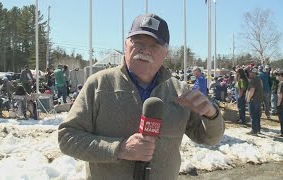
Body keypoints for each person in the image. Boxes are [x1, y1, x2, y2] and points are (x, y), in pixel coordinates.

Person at [58, 14, 224, 180]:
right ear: (126, 44)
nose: (145, 50)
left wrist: (212, 115)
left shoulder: (181, 91)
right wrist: (120, 149)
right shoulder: (99, 84)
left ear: (166, 52)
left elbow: (209, 138)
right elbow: (68, 138)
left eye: (154, 45)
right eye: (138, 42)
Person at [246, 68, 263, 135]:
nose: (249, 74)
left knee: (252, 115)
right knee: (257, 115)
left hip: (253, 100)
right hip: (258, 100)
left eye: (250, 72)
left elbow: (252, 90)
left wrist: (248, 99)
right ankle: (258, 129)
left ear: (253, 73)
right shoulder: (259, 79)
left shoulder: (253, 80)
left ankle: (254, 130)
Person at [275, 70, 283, 136]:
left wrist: (278, 104)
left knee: (281, 118)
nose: (276, 77)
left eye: (277, 75)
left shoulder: (281, 83)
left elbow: (280, 95)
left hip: (281, 104)